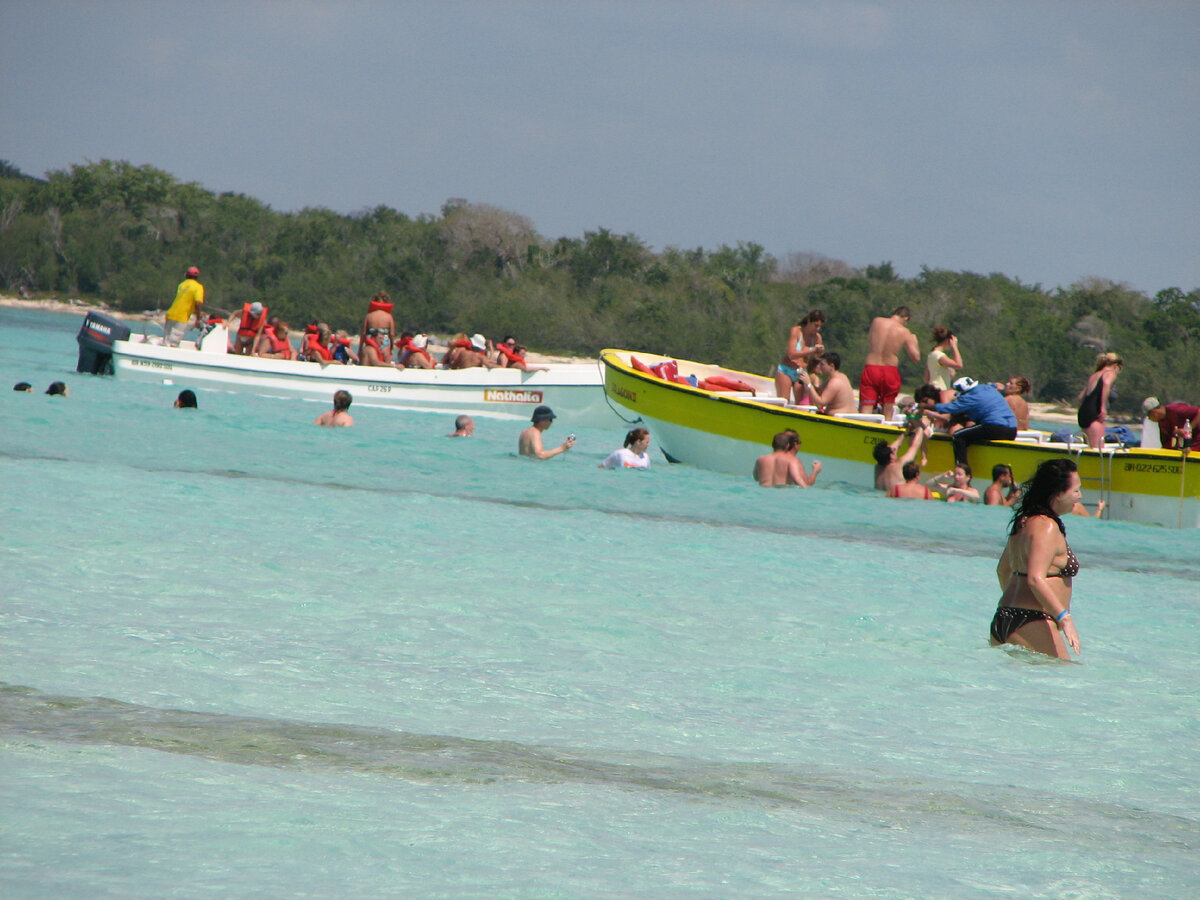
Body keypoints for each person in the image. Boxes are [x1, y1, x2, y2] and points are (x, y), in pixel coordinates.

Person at [991, 457, 1082, 659]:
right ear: (1058, 494)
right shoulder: (1047, 526)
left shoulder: (1024, 522)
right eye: (1075, 490)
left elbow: (1003, 570)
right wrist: (1064, 618)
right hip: (1032, 620)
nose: (1079, 495)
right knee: (1064, 681)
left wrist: (1015, 605)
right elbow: (1035, 578)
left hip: (1004, 617)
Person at [916, 378, 1017, 468]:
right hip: (1012, 430)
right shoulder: (986, 388)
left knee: (958, 436)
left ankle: (962, 468)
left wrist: (928, 408)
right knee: (969, 432)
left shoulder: (969, 397)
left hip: (995, 428)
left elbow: (948, 408)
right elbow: (996, 386)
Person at [859, 306, 921, 418]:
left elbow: (870, 340)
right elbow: (916, 357)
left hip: (872, 367)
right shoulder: (905, 332)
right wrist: (914, 341)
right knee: (888, 408)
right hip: (889, 370)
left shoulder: (876, 321)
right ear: (906, 318)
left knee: (866, 406)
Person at [774, 309, 826, 402]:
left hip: (801, 372)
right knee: (784, 400)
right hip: (787, 370)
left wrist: (818, 354)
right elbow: (791, 354)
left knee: (801, 403)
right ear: (809, 321)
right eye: (816, 325)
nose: (817, 329)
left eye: (820, 326)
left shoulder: (817, 338)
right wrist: (812, 350)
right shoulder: (796, 331)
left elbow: (813, 359)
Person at [1076, 352, 1123, 450]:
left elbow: (1080, 397)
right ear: (1115, 365)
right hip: (1094, 413)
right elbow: (1106, 384)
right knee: (1098, 449)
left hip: (1083, 412)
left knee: (1089, 447)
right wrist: (1103, 407)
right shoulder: (1110, 373)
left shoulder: (1095, 374)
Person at [754, 430, 821, 487]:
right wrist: (816, 470)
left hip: (763, 491)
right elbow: (798, 480)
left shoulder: (760, 459)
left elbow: (756, 478)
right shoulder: (792, 460)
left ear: (772, 444)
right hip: (781, 493)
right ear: (787, 445)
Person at [872, 427, 928, 493]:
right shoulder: (900, 465)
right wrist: (920, 428)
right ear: (891, 456)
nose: (895, 449)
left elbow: (889, 450)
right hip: (898, 500)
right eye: (893, 451)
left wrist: (904, 434)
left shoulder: (877, 467)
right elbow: (915, 446)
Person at [163, 266, 204, 347]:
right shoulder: (198, 287)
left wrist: (196, 312)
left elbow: (185, 301)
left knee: (166, 341)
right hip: (182, 317)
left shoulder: (181, 285)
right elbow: (198, 303)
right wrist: (198, 319)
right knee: (174, 343)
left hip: (171, 313)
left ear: (186, 275)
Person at [924, 326, 963, 403]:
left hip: (932, 390)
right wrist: (955, 347)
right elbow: (959, 365)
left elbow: (926, 378)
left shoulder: (931, 355)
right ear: (948, 340)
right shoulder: (939, 356)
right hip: (941, 390)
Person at [359, 292, 397, 366]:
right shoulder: (389, 316)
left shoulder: (369, 316)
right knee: (386, 364)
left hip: (371, 341)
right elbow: (392, 334)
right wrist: (391, 348)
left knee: (367, 361)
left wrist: (360, 347)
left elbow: (364, 333)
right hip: (384, 341)